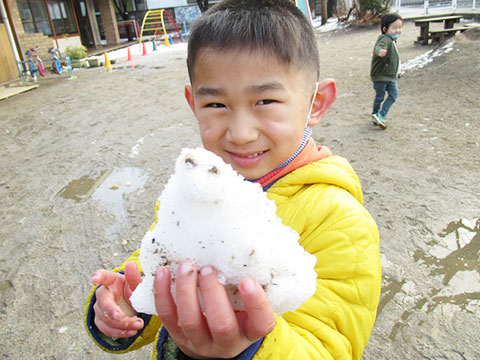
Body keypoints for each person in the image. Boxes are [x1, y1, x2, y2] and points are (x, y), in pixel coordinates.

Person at [84, 1, 381, 359]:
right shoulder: (196, 191)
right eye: (216, 105)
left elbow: (331, 348)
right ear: (194, 103)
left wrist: (247, 347)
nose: (240, 134)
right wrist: (129, 303)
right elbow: (156, 261)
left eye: (266, 100)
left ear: (315, 103)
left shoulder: (340, 222)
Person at [370, 13, 403, 129]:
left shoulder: (392, 41)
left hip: (390, 76)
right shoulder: (384, 39)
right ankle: (376, 115)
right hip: (380, 75)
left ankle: (380, 114)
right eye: (394, 28)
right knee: (380, 96)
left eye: (400, 27)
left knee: (394, 94)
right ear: (385, 29)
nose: (398, 30)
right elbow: (379, 47)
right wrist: (379, 51)